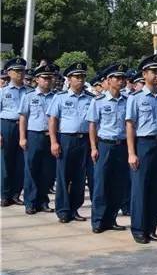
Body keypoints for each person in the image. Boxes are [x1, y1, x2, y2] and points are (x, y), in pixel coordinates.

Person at [125, 54, 157, 244]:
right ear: (144, 74)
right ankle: (138, 228)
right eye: (153, 71)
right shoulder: (135, 98)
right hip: (142, 144)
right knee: (140, 188)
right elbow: (130, 125)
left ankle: (151, 228)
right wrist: (131, 152)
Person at [87, 63, 130, 233]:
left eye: (123, 78)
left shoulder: (127, 100)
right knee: (101, 184)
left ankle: (111, 219)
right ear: (108, 80)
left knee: (118, 185)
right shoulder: (98, 101)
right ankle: (98, 221)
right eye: (117, 78)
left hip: (122, 145)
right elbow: (92, 125)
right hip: (105, 145)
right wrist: (93, 147)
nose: (121, 81)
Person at [48, 62, 92, 223]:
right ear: (69, 79)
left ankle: (74, 209)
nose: (80, 80)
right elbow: (53, 120)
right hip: (66, 139)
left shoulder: (90, 98)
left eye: (82, 77)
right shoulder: (60, 98)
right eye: (77, 77)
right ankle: (63, 210)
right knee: (63, 176)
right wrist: (54, 141)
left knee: (79, 178)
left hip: (84, 139)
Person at [18, 62, 58, 214]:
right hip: (34, 135)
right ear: (37, 80)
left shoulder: (56, 97)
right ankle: (30, 201)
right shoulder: (29, 96)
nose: (47, 81)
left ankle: (43, 201)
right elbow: (23, 117)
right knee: (31, 169)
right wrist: (22, 137)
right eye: (44, 78)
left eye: (49, 78)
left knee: (47, 171)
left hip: (51, 137)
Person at [1, 57, 31, 206]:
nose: (20, 74)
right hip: (7, 126)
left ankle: (15, 194)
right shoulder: (3, 91)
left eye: (22, 71)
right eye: (17, 71)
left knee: (21, 162)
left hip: (24, 128)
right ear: (9, 72)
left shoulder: (30, 92)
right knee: (5, 161)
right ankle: (4, 194)